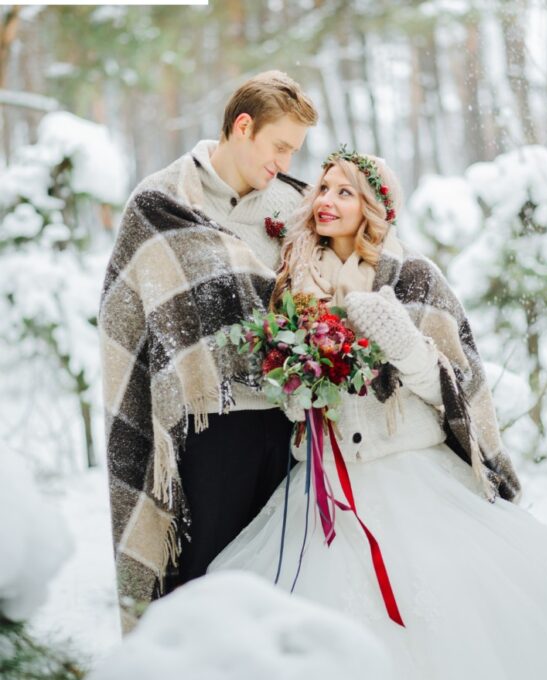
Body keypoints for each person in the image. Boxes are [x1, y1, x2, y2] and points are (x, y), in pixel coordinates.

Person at [208, 149, 547, 678]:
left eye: (345, 192)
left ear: (373, 207)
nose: (327, 201)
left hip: (412, 475)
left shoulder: (413, 277)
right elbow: (286, 401)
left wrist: (404, 344)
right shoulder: (292, 281)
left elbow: (454, 388)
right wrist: (299, 380)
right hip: (324, 485)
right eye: (324, 188)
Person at [99, 71, 318, 630]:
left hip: (290, 428)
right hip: (210, 429)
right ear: (243, 127)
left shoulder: (297, 206)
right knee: (204, 583)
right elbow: (125, 317)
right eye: (279, 146)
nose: (285, 162)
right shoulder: (162, 202)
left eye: (294, 151)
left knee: (281, 588)